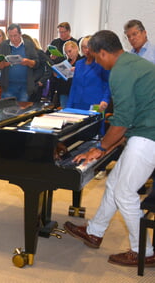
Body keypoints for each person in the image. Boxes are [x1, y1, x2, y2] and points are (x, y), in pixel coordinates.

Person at [63, 30, 155, 267]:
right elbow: (134, 111)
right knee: (114, 184)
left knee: (125, 192)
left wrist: (100, 148)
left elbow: (122, 120)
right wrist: (109, 145)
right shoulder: (132, 63)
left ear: (104, 52)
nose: (96, 62)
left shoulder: (119, 72)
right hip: (143, 132)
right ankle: (94, 232)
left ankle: (144, 252)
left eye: (96, 57)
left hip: (149, 136)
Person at [66, 36, 111, 111]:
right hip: (77, 104)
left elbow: (108, 83)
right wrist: (68, 107)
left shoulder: (101, 63)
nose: (86, 50)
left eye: (88, 47)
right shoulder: (79, 63)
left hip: (96, 103)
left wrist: (105, 100)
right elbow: (74, 86)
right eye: (83, 47)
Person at [0, 24, 38, 102]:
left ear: (20, 34)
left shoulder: (28, 44)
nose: (13, 38)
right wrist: (3, 64)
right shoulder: (4, 45)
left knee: (23, 112)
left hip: (25, 86)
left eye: (15, 35)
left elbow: (36, 63)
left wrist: (28, 61)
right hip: (8, 85)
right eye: (10, 36)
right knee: (6, 110)